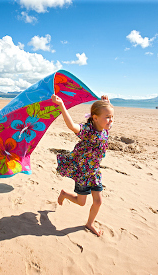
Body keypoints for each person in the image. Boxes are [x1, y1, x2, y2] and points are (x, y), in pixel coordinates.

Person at [51, 94, 114, 236]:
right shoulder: (87, 130)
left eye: (112, 117)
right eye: (108, 117)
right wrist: (61, 105)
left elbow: (106, 117)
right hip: (83, 173)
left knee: (98, 201)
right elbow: (71, 125)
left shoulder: (105, 129)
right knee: (81, 202)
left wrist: (106, 104)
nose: (111, 120)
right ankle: (65, 194)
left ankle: (89, 223)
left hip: (94, 172)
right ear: (95, 118)